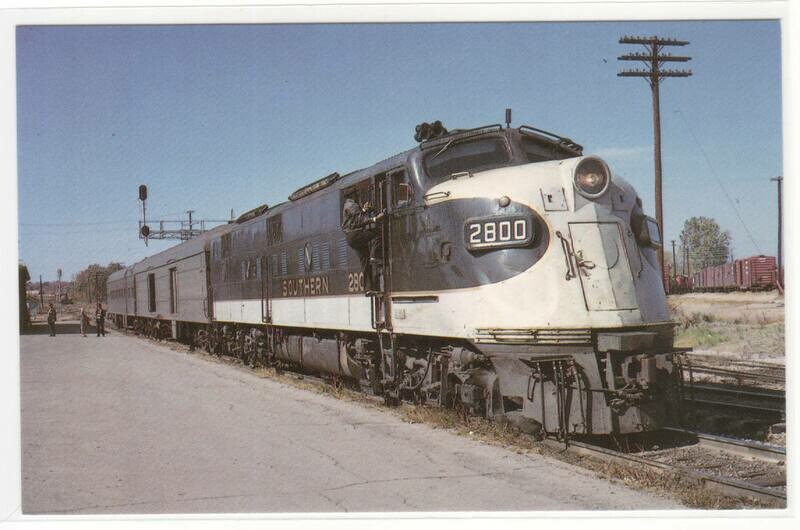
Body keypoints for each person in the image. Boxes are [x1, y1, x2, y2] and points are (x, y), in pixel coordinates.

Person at [341, 195, 384, 293]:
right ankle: (374, 256)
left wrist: (364, 210)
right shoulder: (352, 205)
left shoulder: (347, 205)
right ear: (354, 195)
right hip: (355, 234)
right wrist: (375, 219)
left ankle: (369, 289)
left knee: (365, 262)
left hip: (351, 238)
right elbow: (359, 220)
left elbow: (354, 219)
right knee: (378, 233)